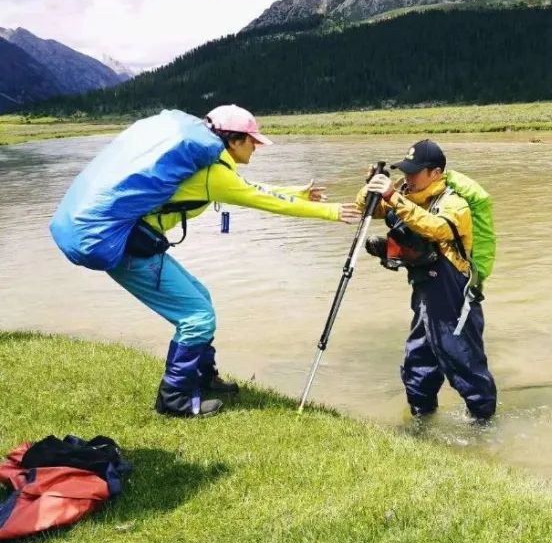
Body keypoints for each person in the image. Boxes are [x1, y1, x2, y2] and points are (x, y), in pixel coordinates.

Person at [107, 105, 362, 418]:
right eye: (252, 140)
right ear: (233, 140)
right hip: (133, 251)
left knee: (201, 299)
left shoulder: (212, 169)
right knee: (197, 317)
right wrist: (332, 212)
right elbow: (262, 200)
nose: (256, 146)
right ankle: (173, 400)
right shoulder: (213, 173)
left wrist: (298, 192)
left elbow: (251, 190)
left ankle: (203, 378)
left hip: (139, 245)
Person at [361, 139, 497, 421]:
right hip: (424, 290)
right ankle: (422, 419)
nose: (408, 178)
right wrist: (371, 185)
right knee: (418, 358)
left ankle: (484, 424)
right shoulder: (407, 195)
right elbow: (366, 208)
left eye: (415, 172)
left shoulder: (455, 204)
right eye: (406, 171)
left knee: (462, 359)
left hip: (454, 296)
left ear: (435, 173)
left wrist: (394, 197)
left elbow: (436, 228)